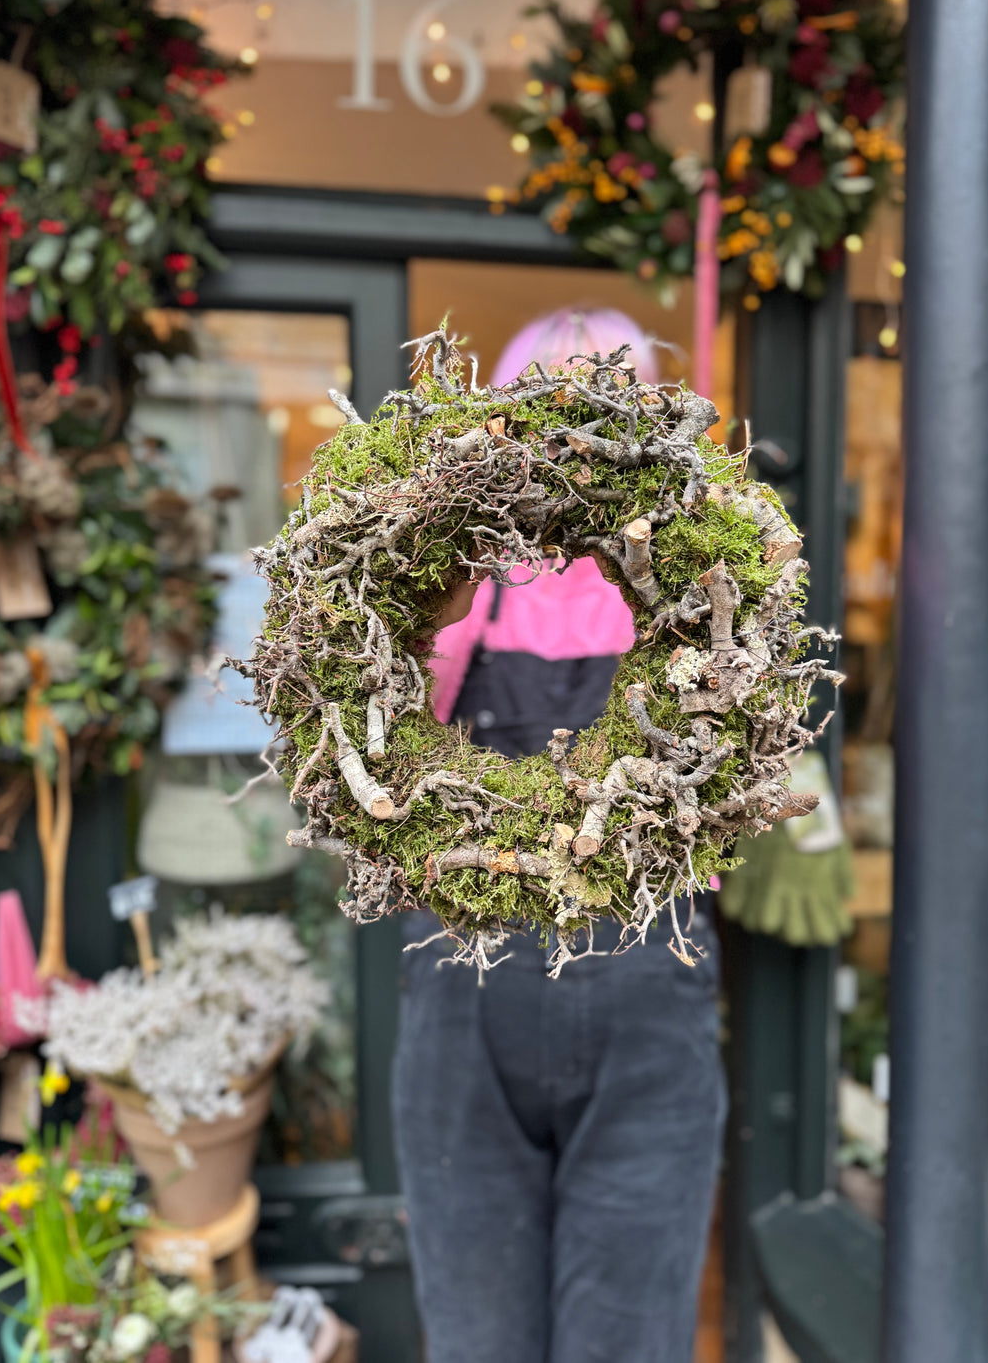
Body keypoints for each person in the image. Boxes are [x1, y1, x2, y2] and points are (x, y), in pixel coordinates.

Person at [391, 308, 726, 1363]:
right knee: (529, 1328)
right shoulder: (464, 583)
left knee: (566, 1328)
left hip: (629, 987)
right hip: (477, 983)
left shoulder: (697, 590)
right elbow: (382, 755)